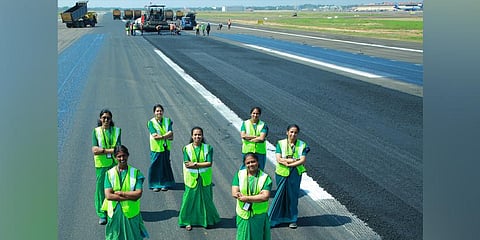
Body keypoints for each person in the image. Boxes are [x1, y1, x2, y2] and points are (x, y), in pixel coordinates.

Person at [178, 127, 221, 231]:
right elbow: (187, 164)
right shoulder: (186, 149)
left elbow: (209, 163)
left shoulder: (208, 148)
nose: (197, 137)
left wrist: (195, 164)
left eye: (199, 135)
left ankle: (207, 221)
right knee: (189, 200)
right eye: (195, 135)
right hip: (191, 179)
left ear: (202, 136)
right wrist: (201, 164)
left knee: (206, 200)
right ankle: (186, 221)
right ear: (192, 136)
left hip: (204, 179)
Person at [102, 145, 149, 240]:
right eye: (119, 156)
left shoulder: (136, 173)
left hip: (131, 213)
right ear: (115, 157)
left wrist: (121, 193)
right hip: (115, 213)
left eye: (124, 155)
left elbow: (138, 194)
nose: (122, 158)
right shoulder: (109, 174)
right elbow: (108, 195)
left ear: (128, 156)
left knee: (133, 236)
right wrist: (129, 196)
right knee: (115, 237)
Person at [268, 124, 310, 229]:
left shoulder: (302, 145)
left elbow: (303, 160)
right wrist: (291, 161)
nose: (293, 134)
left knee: (293, 197)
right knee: (281, 195)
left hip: (295, 174)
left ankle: (292, 219)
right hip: (282, 173)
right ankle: (275, 219)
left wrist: (290, 163)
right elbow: (278, 158)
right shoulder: (280, 144)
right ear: (287, 132)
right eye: (291, 132)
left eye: (295, 132)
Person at [232, 153, 272, 240]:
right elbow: (234, 191)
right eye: (248, 163)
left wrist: (246, 198)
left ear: (257, 162)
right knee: (242, 237)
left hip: (258, 215)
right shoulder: (239, 174)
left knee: (257, 237)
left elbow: (265, 196)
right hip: (243, 214)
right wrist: (237, 194)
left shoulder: (265, 178)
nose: (251, 164)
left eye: (253, 161)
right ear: (245, 164)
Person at [92, 109, 121, 225]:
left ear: (111, 119)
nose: (106, 120)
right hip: (101, 165)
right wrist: (109, 150)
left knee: (114, 188)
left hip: (114, 164)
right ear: (100, 119)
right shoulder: (96, 132)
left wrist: (103, 150)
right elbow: (94, 150)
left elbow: (119, 149)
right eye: (104, 118)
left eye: (108, 118)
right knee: (100, 190)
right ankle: (102, 213)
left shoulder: (117, 131)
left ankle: (112, 210)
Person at [146, 104, 175, 192]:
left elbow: (171, 132)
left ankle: (165, 184)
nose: (159, 112)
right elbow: (155, 135)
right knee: (155, 166)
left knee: (165, 165)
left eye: (160, 110)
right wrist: (165, 137)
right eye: (157, 111)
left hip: (166, 148)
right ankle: (155, 184)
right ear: (154, 112)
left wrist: (162, 137)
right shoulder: (151, 122)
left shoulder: (168, 121)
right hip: (156, 148)